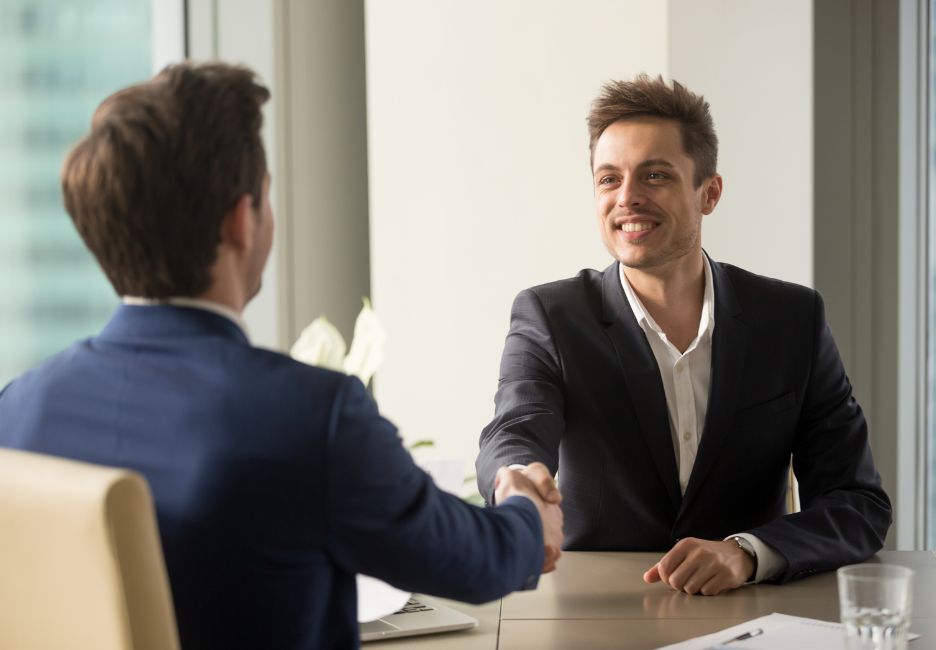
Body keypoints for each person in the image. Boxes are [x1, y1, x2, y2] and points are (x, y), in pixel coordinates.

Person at [0, 62, 563, 650]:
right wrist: (528, 516)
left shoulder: (17, 411)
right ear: (242, 221)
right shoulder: (307, 416)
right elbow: (472, 560)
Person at [476, 74, 891, 596]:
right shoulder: (550, 315)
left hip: (750, 617)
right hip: (598, 613)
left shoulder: (791, 319)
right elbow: (516, 425)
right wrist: (516, 480)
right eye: (609, 179)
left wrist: (748, 553)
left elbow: (857, 503)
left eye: (654, 176)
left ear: (709, 192)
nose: (627, 198)